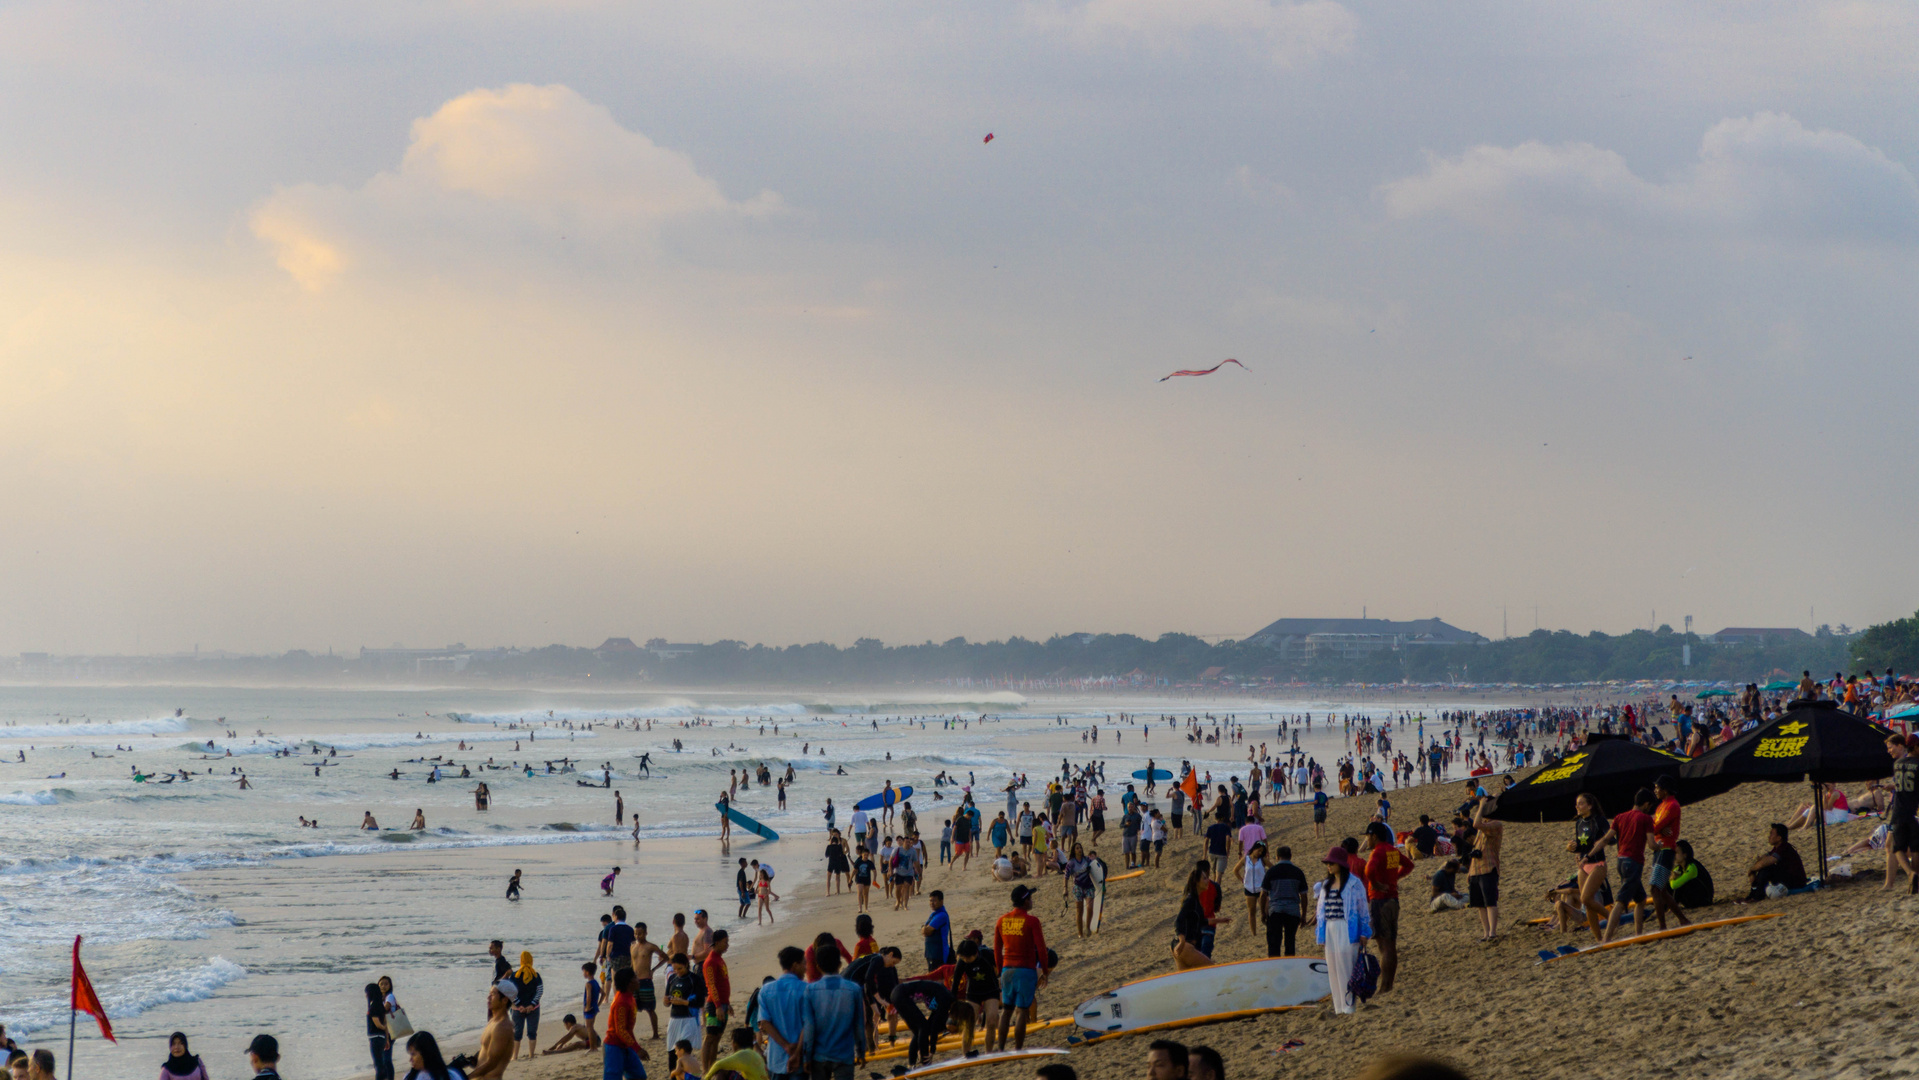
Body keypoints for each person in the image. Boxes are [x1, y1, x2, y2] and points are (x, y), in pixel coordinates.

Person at [1313, 847, 1372, 1014]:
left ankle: (1349, 1007)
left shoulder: (1354, 883)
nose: (1329, 866)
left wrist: (1364, 933)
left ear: (1340, 864)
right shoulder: (1326, 884)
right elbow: (1320, 911)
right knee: (1333, 969)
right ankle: (1339, 1007)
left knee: (1346, 967)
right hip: (1330, 928)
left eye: (1331, 863)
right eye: (1327, 863)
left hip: (1347, 928)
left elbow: (1362, 909)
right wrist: (1321, 934)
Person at [992, 886, 1048, 1052]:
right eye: (1030, 898)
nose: (1032, 900)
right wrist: (1044, 971)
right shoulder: (1032, 921)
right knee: (1022, 1011)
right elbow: (1042, 949)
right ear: (1025, 901)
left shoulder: (1001, 920)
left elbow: (997, 950)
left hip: (1007, 970)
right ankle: (1017, 1049)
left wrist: (1000, 970)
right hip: (1025, 970)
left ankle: (1001, 1049)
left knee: (1007, 1011)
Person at [1360, 822, 1413, 993]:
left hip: (1380, 900)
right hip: (1392, 899)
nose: (1366, 840)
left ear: (1374, 836)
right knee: (1390, 944)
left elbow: (1369, 869)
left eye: (1367, 836)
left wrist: (1374, 883)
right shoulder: (1392, 850)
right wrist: (1395, 879)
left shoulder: (1379, 851)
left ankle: (1385, 986)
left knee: (1384, 946)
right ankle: (1388, 985)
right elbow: (1409, 865)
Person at [804, 944, 867, 1080]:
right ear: (839, 964)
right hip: (844, 1054)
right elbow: (858, 1024)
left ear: (818, 967)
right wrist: (861, 1051)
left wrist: (807, 1056)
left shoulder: (810, 991)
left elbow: (809, 1027)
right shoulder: (854, 989)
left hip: (819, 1055)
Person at [756, 948, 808, 1080]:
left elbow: (765, 1023)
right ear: (795, 965)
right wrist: (796, 1051)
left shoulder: (766, 990)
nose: (805, 968)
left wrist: (785, 1046)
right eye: (803, 964)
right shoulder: (805, 989)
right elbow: (808, 1024)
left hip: (776, 1057)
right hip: (800, 1057)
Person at [1647, 776, 1691, 931]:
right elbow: (1655, 826)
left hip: (1666, 849)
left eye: (1658, 788)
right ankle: (1683, 920)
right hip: (1660, 848)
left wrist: (1656, 829)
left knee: (1655, 888)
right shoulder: (1661, 807)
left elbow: (1655, 826)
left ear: (1665, 790)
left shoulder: (1672, 806)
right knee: (1662, 889)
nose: (1655, 790)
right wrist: (1657, 829)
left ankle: (1662, 926)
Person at [1259, 846, 1309, 956]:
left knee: (1274, 943)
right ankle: (1289, 968)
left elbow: (1263, 895)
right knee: (1290, 942)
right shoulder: (1298, 872)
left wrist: (1263, 912)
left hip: (1275, 910)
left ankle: (1274, 967)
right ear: (1290, 857)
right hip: (1293, 910)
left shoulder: (1271, 872)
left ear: (1277, 857)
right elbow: (1304, 896)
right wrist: (1304, 915)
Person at [1465, 794, 1503, 941]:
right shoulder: (1484, 826)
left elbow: (1475, 824)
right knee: (1479, 904)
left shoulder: (1496, 825)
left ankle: (1492, 932)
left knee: (1490, 902)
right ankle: (1486, 933)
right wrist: (1470, 871)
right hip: (1476, 869)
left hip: (1488, 867)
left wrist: (1481, 805)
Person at [602, 968, 651, 1080]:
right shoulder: (621, 1001)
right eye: (635, 977)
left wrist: (634, 1046)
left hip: (625, 1044)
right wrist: (637, 1049)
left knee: (639, 1076)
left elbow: (627, 1030)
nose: (638, 980)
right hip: (614, 1045)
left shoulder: (630, 997)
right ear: (629, 982)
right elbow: (621, 1030)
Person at [1886, 734, 1918, 894]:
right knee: (1915, 848)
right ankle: (1913, 878)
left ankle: (1910, 875)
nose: (1889, 750)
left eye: (1890, 747)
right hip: (1911, 810)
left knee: (1895, 847)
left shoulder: (1898, 764)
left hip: (1899, 811)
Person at [1744, 822, 1808, 901]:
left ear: (1779, 838)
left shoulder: (1784, 848)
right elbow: (1763, 859)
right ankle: (1753, 894)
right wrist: (1754, 870)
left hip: (1795, 882)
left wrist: (1751, 870)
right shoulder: (1778, 848)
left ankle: (1757, 897)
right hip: (1789, 878)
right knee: (1764, 867)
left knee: (1766, 869)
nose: (1769, 836)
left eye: (1771, 834)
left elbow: (1766, 862)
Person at [701, 931, 733, 1069]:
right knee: (710, 1038)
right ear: (718, 942)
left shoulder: (719, 958)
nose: (727, 945)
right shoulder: (710, 961)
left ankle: (712, 1067)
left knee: (717, 1038)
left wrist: (727, 1004)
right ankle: (705, 1070)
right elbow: (711, 985)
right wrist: (718, 1006)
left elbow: (722, 983)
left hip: (724, 1004)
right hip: (714, 1005)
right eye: (725, 942)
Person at [664, 953, 706, 1055]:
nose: (677, 972)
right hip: (674, 1018)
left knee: (683, 1051)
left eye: (680, 968)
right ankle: (674, 1071)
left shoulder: (695, 979)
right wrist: (667, 1001)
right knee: (672, 1052)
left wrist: (683, 1002)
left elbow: (700, 1002)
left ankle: (686, 1070)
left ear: (686, 964)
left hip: (689, 1018)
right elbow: (666, 1002)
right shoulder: (672, 978)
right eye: (675, 969)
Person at [1230, 841, 1269, 936]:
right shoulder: (1245, 859)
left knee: (1266, 911)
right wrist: (1242, 880)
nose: (1259, 853)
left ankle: (1269, 929)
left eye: (1261, 851)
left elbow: (1273, 868)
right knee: (1252, 911)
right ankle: (1254, 933)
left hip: (1261, 889)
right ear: (1254, 848)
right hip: (1249, 889)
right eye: (1258, 850)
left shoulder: (1262, 859)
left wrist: (1268, 880)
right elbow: (1235, 870)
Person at [510, 952, 544, 1060]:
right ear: (531, 960)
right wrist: (532, 1004)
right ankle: (531, 1055)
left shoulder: (514, 976)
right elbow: (540, 991)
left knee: (517, 1034)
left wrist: (519, 1005)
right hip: (533, 1009)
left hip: (517, 1009)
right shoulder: (536, 975)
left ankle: (514, 1056)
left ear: (521, 961)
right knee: (532, 1033)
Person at [1670, 840, 1714, 908]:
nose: (1674, 855)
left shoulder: (1692, 867)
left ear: (1685, 855)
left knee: (1681, 884)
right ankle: (1666, 906)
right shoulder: (1678, 868)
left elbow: (1674, 885)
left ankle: (1673, 906)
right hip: (1691, 899)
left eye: (1676, 853)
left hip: (1703, 899)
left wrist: (1672, 879)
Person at [368, 982, 397, 1080]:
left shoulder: (374, 1006)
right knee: (382, 1061)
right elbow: (385, 1023)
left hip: (375, 1038)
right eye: (381, 984)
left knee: (379, 1064)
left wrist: (382, 1028)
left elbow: (379, 1025)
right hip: (383, 1037)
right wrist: (387, 1039)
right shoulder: (380, 1005)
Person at [922, 891, 954, 968]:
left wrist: (925, 929)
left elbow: (926, 931)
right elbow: (924, 931)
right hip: (931, 953)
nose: (932, 903)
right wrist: (925, 930)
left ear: (941, 901)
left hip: (938, 954)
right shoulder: (934, 914)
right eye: (930, 900)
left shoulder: (941, 915)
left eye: (934, 901)